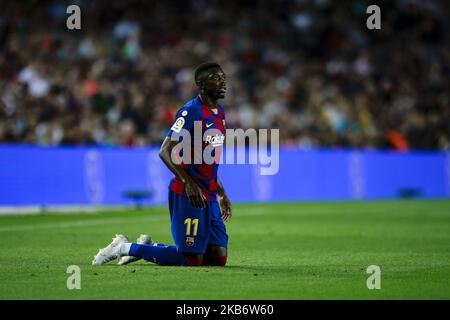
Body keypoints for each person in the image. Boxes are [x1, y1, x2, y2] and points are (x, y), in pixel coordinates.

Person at [92, 62, 232, 267]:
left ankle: (149, 246)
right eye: (216, 78)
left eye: (223, 77)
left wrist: (222, 193)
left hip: (209, 195)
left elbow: (208, 162)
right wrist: (188, 182)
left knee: (217, 259)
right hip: (189, 194)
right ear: (201, 84)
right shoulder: (191, 112)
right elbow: (165, 151)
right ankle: (123, 247)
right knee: (191, 260)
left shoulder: (220, 114)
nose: (222, 81)